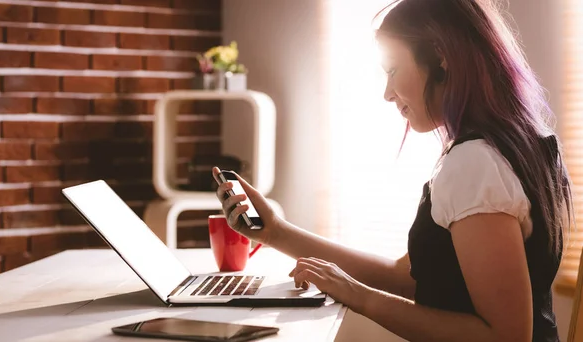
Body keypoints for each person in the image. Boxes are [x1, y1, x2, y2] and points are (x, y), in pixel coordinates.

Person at [212, 0, 573, 341]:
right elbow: (406, 278)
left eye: (392, 70)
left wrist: (358, 296)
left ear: (442, 58)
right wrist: (275, 232)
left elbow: (505, 336)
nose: (387, 92)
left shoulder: (474, 164)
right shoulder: (525, 145)